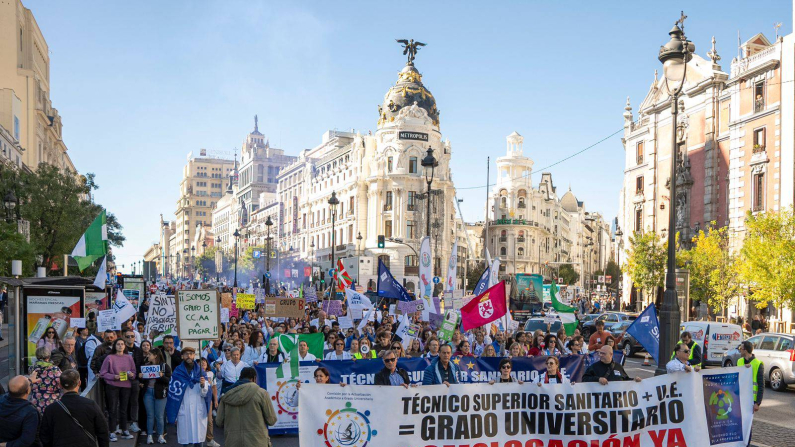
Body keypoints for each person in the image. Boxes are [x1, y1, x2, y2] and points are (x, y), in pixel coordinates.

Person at [39, 370, 110, 447]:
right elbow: (103, 431)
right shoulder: (90, 405)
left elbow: (44, 435)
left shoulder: (51, 409)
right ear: (79, 383)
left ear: (60, 385)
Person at [216, 367, 278, 447]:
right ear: (254, 378)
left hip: (233, 442)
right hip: (257, 441)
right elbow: (271, 420)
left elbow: (219, 421)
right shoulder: (262, 393)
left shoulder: (227, 395)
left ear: (240, 377)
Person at [167, 347, 211, 447]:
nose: (189, 356)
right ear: (182, 356)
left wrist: (203, 385)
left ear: (194, 355)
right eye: (186, 354)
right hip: (184, 408)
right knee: (186, 442)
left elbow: (206, 393)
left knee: (199, 441)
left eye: (191, 354)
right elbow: (173, 392)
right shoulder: (178, 372)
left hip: (198, 409)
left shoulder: (200, 372)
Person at [99, 338, 136, 441]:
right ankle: (112, 431)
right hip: (112, 385)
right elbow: (103, 373)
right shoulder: (109, 357)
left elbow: (134, 372)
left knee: (124, 410)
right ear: (115, 346)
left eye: (122, 344)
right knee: (113, 409)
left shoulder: (129, 358)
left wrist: (132, 375)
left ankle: (124, 430)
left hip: (126, 385)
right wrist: (113, 377)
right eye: (118, 344)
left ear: (125, 346)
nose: (120, 346)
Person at [0, 375, 40, 447]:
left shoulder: (2, 399)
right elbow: (26, 440)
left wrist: (29, 381)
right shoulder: (30, 412)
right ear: (28, 391)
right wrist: (5, 445)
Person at [142, 348, 171, 445]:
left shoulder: (164, 366)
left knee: (159, 416)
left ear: (155, 355)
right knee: (150, 415)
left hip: (160, 393)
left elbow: (168, 380)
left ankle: (160, 435)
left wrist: (161, 376)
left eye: (149, 354)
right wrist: (140, 377)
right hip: (148, 392)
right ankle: (149, 435)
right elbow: (143, 381)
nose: (147, 356)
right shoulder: (146, 366)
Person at [29, 346, 62, 415]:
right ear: (48, 356)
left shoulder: (32, 368)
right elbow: (61, 384)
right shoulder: (54, 369)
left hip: (35, 401)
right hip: (51, 401)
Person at [123, 329, 144, 433]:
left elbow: (140, 364)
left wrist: (139, 378)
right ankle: (122, 423)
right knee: (122, 401)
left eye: (132, 336)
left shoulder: (138, 350)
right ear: (124, 337)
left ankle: (133, 422)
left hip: (135, 379)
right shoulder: (121, 349)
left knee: (134, 402)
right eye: (128, 336)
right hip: (122, 379)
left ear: (135, 338)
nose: (130, 338)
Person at [737, 340, 763, 415]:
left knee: (748, 424)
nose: (739, 350)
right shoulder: (739, 361)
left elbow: (761, 385)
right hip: (740, 398)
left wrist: (757, 403)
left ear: (745, 350)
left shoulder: (758, 364)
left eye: (741, 348)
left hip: (751, 400)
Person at [198, 358, 220, 447]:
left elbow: (214, 387)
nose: (203, 363)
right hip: (199, 400)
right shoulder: (196, 374)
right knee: (199, 420)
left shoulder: (211, 374)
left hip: (208, 400)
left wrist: (215, 400)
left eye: (204, 362)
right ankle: (199, 439)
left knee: (209, 420)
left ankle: (210, 439)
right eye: (201, 362)